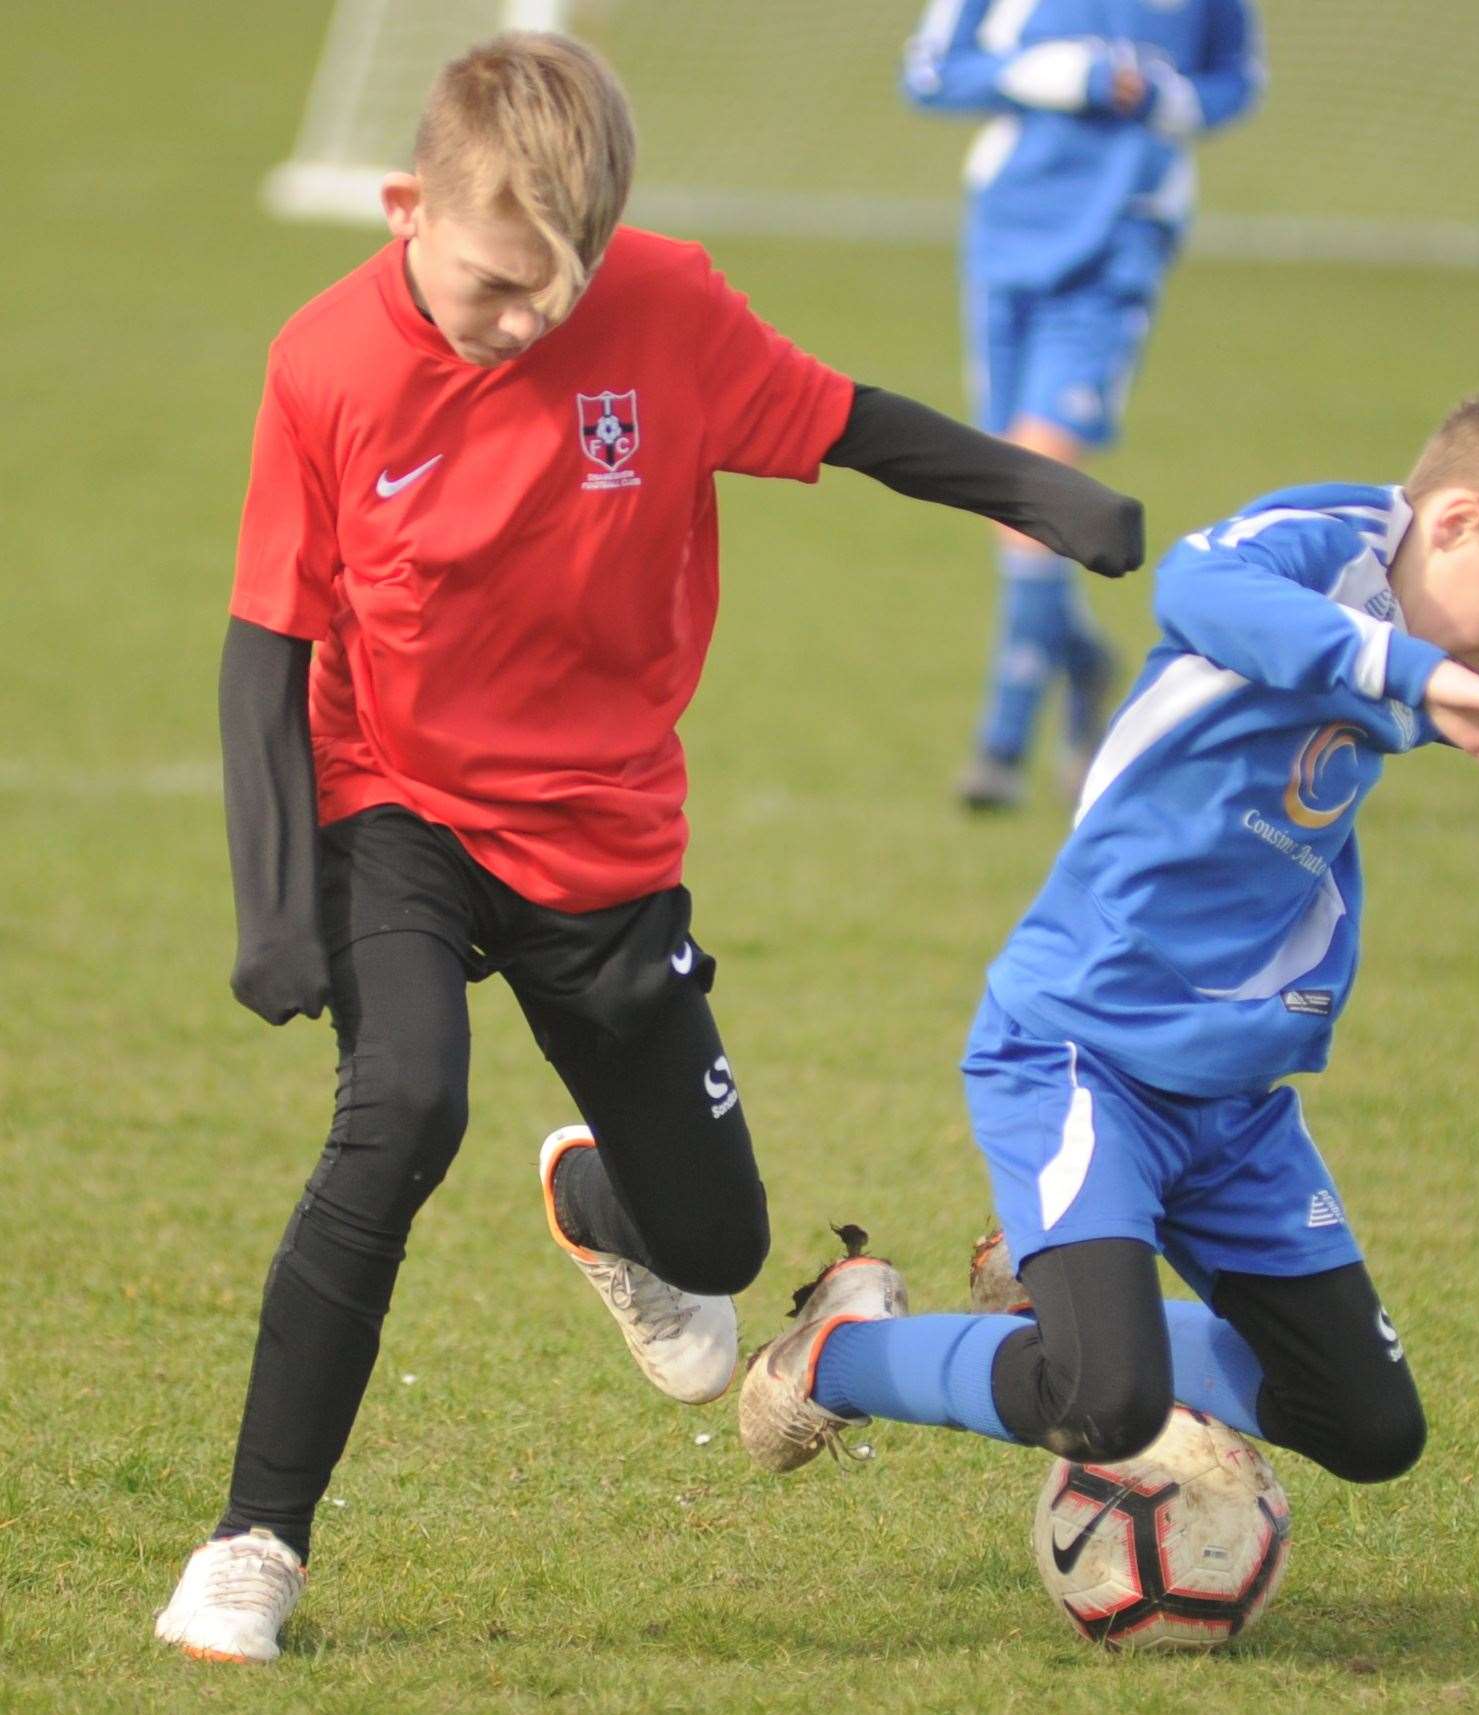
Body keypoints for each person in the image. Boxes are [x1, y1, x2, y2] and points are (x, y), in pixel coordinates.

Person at [155, 31, 1142, 1665]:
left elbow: (846, 420)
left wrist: (1042, 496)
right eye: (491, 285)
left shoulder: (667, 309)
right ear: (412, 207)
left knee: (719, 1253)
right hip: (392, 800)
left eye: (560, 286)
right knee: (403, 1104)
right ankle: (254, 1545)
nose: (528, 323)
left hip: (603, 831)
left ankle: (604, 1212)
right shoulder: (323, 362)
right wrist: (272, 905)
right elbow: (266, 643)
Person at [737, 372, 1479, 1501]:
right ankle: (841, 1350)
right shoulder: (1321, 549)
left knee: (1368, 1426)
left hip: (1234, 1102)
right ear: (1456, 522)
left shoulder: (1420, 645)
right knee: (1104, 1400)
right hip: (1081, 1053)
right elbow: (1200, 585)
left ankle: (1076, 1296)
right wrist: (1421, 672)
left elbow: (1448, 665)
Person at [902, 0, 1263, 808]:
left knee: (1033, 469)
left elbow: (1235, 82)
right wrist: (1047, 75)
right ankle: (1084, 664)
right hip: (1006, 237)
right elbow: (928, 76)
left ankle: (1000, 745)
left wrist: (1166, 96)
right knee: (1005, 486)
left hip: (1119, 241)